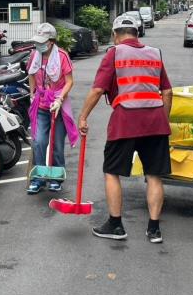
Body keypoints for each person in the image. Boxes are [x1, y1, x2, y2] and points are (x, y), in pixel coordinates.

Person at [78, 15, 173, 243]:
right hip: (155, 123)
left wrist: (83, 117)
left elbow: (98, 90)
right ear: (137, 33)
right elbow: (167, 92)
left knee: (112, 171)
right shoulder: (154, 53)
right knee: (154, 175)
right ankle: (154, 230)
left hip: (125, 121)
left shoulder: (114, 53)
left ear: (115, 34)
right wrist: (162, 120)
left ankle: (116, 225)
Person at [27, 23, 79, 194]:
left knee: (56, 144)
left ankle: (56, 178)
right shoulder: (34, 55)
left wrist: (60, 99)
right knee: (39, 141)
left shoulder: (62, 56)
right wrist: (32, 93)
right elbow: (32, 74)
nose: (39, 45)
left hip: (58, 105)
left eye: (42, 41)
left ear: (50, 42)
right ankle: (38, 178)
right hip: (41, 104)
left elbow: (69, 81)